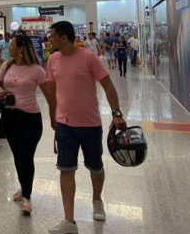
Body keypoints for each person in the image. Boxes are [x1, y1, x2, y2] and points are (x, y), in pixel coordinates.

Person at [45, 21, 127, 234]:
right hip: (65, 124)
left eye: (52, 36)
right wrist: (53, 115)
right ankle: (69, 221)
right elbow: (52, 90)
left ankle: (97, 200)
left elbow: (107, 84)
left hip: (90, 124)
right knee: (65, 169)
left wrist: (117, 113)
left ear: (64, 38)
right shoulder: (52, 60)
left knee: (95, 166)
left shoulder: (89, 57)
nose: (49, 39)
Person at [0, 34, 56, 216]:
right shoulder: (7, 65)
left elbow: (49, 95)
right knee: (17, 155)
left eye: (13, 45)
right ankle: (24, 186)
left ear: (21, 49)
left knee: (26, 156)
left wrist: (54, 116)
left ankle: (27, 197)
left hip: (29, 118)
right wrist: (0, 91)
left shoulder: (37, 70)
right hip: (10, 116)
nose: (10, 47)